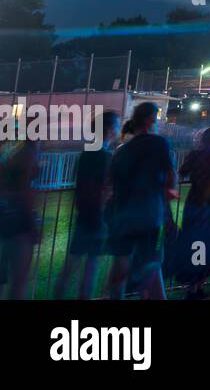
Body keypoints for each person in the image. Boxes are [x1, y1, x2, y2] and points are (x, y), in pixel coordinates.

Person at [107, 102, 176, 300]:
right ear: (149, 120)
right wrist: (167, 212)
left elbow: (112, 185)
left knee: (120, 268)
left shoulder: (121, 151)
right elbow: (170, 179)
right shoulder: (158, 144)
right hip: (149, 217)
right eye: (157, 119)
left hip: (123, 218)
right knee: (152, 267)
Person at [55, 110, 120, 299]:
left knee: (75, 263)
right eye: (116, 125)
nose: (118, 129)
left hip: (86, 214)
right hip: (95, 216)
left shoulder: (90, 151)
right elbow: (98, 186)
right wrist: (100, 206)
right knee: (89, 268)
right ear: (108, 129)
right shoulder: (100, 154)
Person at [174, 126, 210, 298]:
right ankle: (200, 282)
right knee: (207, 243)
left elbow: (181, 173)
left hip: (196, 202)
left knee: (194, 242)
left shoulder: (195, 155)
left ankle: (192, 285)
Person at [0, 138, 39, 299]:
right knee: (19, 282)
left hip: (5, 218)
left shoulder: (9, 150)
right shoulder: (27, 153)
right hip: (18, 224)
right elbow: (25, 191)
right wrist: (32, 226)